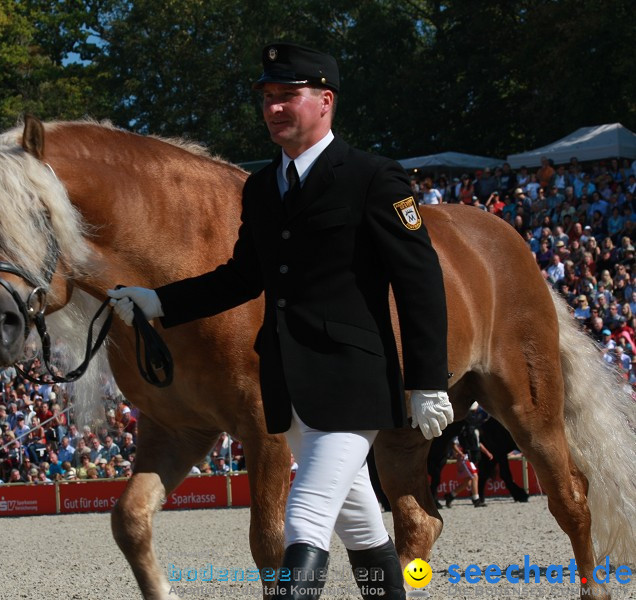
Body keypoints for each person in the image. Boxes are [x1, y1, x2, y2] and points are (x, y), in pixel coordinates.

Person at [107, 43, 451, 600]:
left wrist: (428, 379)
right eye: (267, 97)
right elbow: (242, 276)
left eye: (287, 96)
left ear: (325, 100)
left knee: (305, 519)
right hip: (288, 388)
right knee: (362, 526)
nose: (273, 108)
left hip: (353, 384)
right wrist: (159, 302)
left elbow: (420, 282)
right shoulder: (264, 187)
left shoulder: (373, 178)